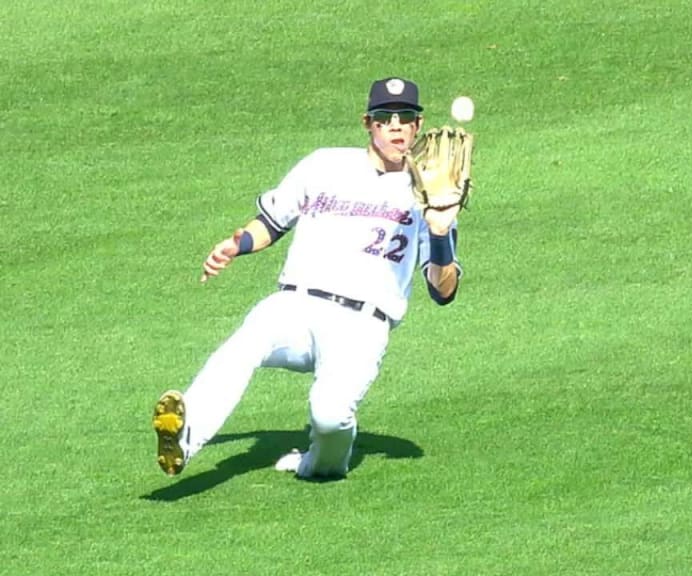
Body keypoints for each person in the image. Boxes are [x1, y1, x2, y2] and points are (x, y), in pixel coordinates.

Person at [151, 77, 464, 479]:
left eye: (406, 117)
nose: (396, 126)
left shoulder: (431, 192)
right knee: (245, 342)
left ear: (418, 126)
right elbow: (272, 220)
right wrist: (239, 244)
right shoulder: (324, 164)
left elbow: (443, 291)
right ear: (368, 123)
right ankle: (184, 434)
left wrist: (439, 234)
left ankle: (317, 464)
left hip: (362, 324)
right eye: (385, 118)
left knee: (330, 417)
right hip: (296, 304)